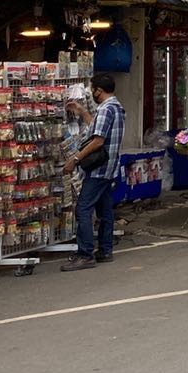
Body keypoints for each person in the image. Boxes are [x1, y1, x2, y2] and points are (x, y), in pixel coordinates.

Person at [60, 72, 126, 271]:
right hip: (109, 168)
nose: (92, 93)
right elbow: (96, 128)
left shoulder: (107, 109)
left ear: (99, 90)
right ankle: (105, 250)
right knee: (105, 210)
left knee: (83, 208)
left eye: (93, 89)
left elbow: (98, 140)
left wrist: (75, 159)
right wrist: (81, 111)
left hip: (99, 168)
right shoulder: (114, 107)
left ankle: (85, 253)